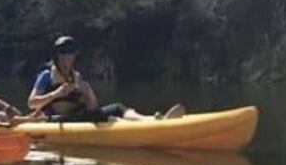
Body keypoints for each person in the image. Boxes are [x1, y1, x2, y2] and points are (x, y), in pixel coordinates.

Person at [27, 35, 184, 122]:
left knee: (117, 108)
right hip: (58, 120)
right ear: (57, 56)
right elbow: (31, 103)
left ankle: (148, 121)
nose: (66, 57)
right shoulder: (46, 76)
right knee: (101, 116)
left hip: (80, 116)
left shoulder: (77, 77)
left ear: (75, 55)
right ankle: (135, 128)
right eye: (63, 53)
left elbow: (93, 106)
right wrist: (55, 94)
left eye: (70, 53)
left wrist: (88, 93)